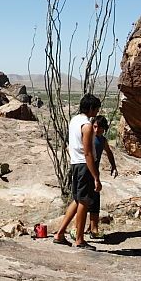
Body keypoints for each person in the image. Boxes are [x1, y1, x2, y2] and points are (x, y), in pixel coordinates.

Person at [53, 94, 102, 250]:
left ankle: (60, 234)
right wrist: (96, 177)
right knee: (84, 201)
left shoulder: (74, 121)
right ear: (91, 108)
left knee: (77, 199)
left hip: (75, 163)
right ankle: (79, 239)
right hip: (84, 165)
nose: (97, 112)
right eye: (96, 109)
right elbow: (88, 153)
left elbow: (70, 145)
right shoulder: (86, 126)